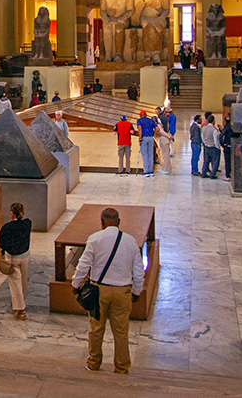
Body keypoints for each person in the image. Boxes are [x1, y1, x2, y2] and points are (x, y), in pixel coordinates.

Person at [72, 207, 144, 374]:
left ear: (102, 222)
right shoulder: (130, 241)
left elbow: (84, 264)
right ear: (119, 222)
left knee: (96, 329)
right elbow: (138, 270)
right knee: (121, 332)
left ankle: (94, 363)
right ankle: (122, 367)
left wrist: (75, 284)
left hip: (99, 292)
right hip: (122, 292)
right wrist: (137, 291)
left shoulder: (95, 239)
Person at [0, 202, 32, 320]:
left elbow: (1, 243)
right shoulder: (27, 224)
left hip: (13, 257)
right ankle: (22, 298)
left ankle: (21, 309)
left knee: (15, 282)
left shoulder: (7, 228)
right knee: (23, 279)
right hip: (25, 256)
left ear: (12, 213)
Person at [135, 110, 157, 177]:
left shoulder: (139, 121)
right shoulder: (151, 121)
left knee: (144, 154)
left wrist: (140, 137)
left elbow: (139, 128)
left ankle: (146, 171)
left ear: (140, 115)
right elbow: (157, 128)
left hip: (144, 138)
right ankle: (151, 171)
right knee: (150, 154)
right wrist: (154, 133)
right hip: (151, 138)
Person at [201, 114, 221, 179]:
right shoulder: (214, 130)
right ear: (213, 121)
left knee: (206, 161)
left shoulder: (204, 128)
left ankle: (204, 173)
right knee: (215, 162)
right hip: (213, 147)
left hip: (206, 146)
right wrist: (218, 147)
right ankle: (212, 174)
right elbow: (216, 140)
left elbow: (202, 137)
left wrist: (205, 143)